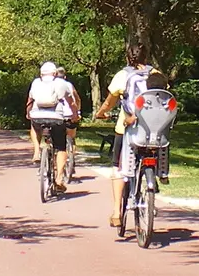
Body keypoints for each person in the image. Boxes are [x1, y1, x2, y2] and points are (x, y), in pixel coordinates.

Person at [95, 44, 150, 227]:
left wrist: (101, 113)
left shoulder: (123, 75)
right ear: (146, 57)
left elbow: (110, 102)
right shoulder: (156, 74)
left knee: (118, 167)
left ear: (128, 57)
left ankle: (117, 211)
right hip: (152, 130)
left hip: (127, 129)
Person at [27, 60, 72, 192]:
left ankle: (37, 151)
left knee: (34, 127)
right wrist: (74, 114)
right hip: (56, 118)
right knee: (61, 147)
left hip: (37, 115)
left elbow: (30, 99)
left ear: (41, 74)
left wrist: (28, 112)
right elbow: (70, 101)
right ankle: (59, 179)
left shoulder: (36, 83)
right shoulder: (61, 83)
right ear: (55, 73)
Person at [55, 66, 82, 160]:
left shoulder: (51, 84)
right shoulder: (69, 85)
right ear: (65, 77)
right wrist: (78, 111)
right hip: (70, 115)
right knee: (72, 138)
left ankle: (53, 161)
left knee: (53, 139)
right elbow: (77, 99)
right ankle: (71, 161)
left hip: (55, 116)